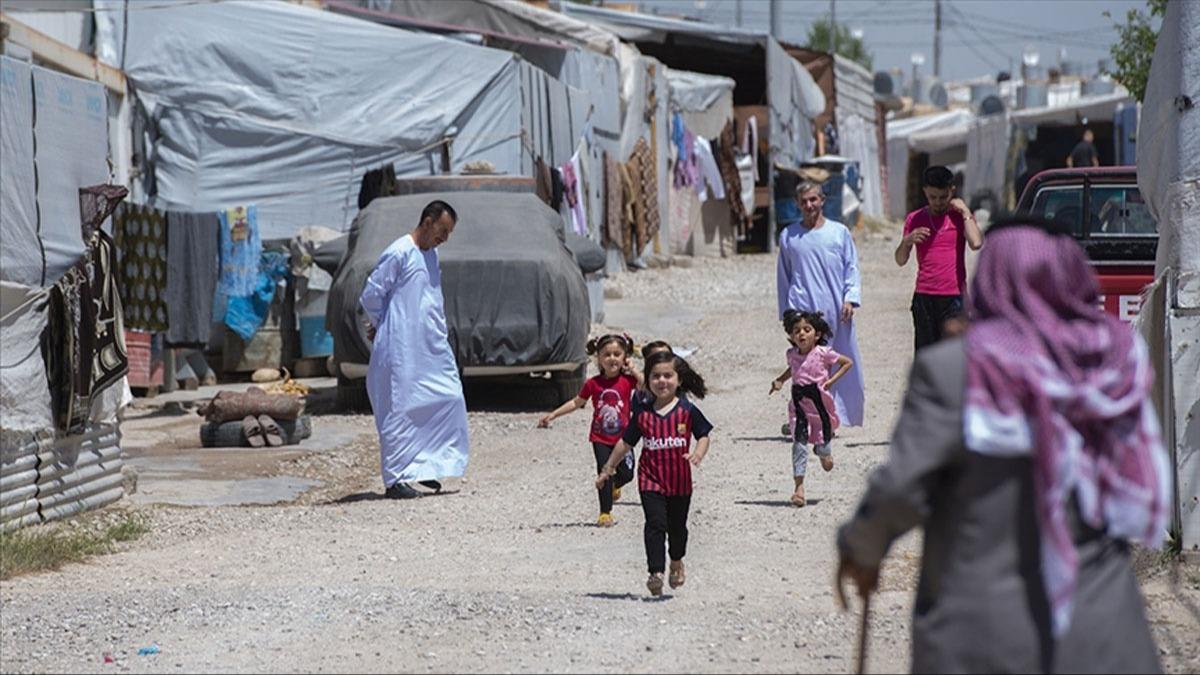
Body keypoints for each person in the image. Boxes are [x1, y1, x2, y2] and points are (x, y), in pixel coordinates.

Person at [834, 216, 1170, 673]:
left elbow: (899, 491)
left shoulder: (956, 370)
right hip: (1105, 638)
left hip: (985, 640)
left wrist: (861, 548)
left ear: (988, 277)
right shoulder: (1114, 367)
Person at [359, 200, 470, 500]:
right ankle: (396, 480)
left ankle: (425, 465)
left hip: (429, 345)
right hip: (401, 347)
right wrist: (382, 323)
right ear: (428, 221)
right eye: (442, 231)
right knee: (400, 409)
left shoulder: (431, 255)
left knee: (447, 397)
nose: (444, 238)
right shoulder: (399, 252)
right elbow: (371, 295)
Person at [595, 352, 712, 596]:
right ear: (647, 381)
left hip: (680, 482)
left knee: (677, 528)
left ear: (678, 380)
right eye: (655, 376)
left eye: (668, 376)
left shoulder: (687, 411)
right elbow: (624, 444)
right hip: (651, 480)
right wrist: (608, 469)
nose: (662, 381)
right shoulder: (643, 415)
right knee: (655, 524)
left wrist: (698, 454)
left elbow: (703, 434)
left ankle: (677, 561)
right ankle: (655, 572)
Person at [776, 180, 865, 429]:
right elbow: (784, 276)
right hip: (802, 310)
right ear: (797, 204)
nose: (809, 205)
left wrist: (850, 298)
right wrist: (787, 313)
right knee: (805, 365)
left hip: (835, 309)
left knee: (834, 361)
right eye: (803, 201)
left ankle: (835, 415)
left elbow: (852, 267)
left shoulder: (839, 232)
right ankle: (806, 417)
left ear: (822, 200)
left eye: (813, 199)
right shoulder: (789, 236)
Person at [537, 334, 641, 527]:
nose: (612, 358)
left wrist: (634, 370)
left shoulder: (628, 381)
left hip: (624, 439)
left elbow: (647, 387)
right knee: (604, 472)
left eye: (617, 354)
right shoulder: (593, 384)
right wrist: (553, 415)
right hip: (600, 438)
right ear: (599, 358)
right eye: (607, 354)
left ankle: (615, 485)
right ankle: (605, 513)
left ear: (624, 357)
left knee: (627, 474)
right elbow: (577, 402)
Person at [768, 310, 853, 507]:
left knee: (823, 447)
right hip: (799, 405)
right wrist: (780, 381)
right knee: (799, 444)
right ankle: (799, 489)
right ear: (791, 335)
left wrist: (830, 381)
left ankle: (823, 453)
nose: (802, 334)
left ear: (817, 334)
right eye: (796, 331)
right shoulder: (791, 355)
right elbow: (794, 368)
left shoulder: (823, 353)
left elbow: (847, 363)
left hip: (820, 406)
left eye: (807, 329)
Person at [894, 165, 984, 352]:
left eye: (943, 197)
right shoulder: (914, 219)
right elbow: (900, 260)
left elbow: (976, 243)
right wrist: (907, 241)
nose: (938, 202)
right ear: (925, 192)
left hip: (953, 296)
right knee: (925, 354)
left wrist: (966, 212)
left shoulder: (960, 217)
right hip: (924, 296)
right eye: (932, 197)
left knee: (954, 353)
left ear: (951, 190)